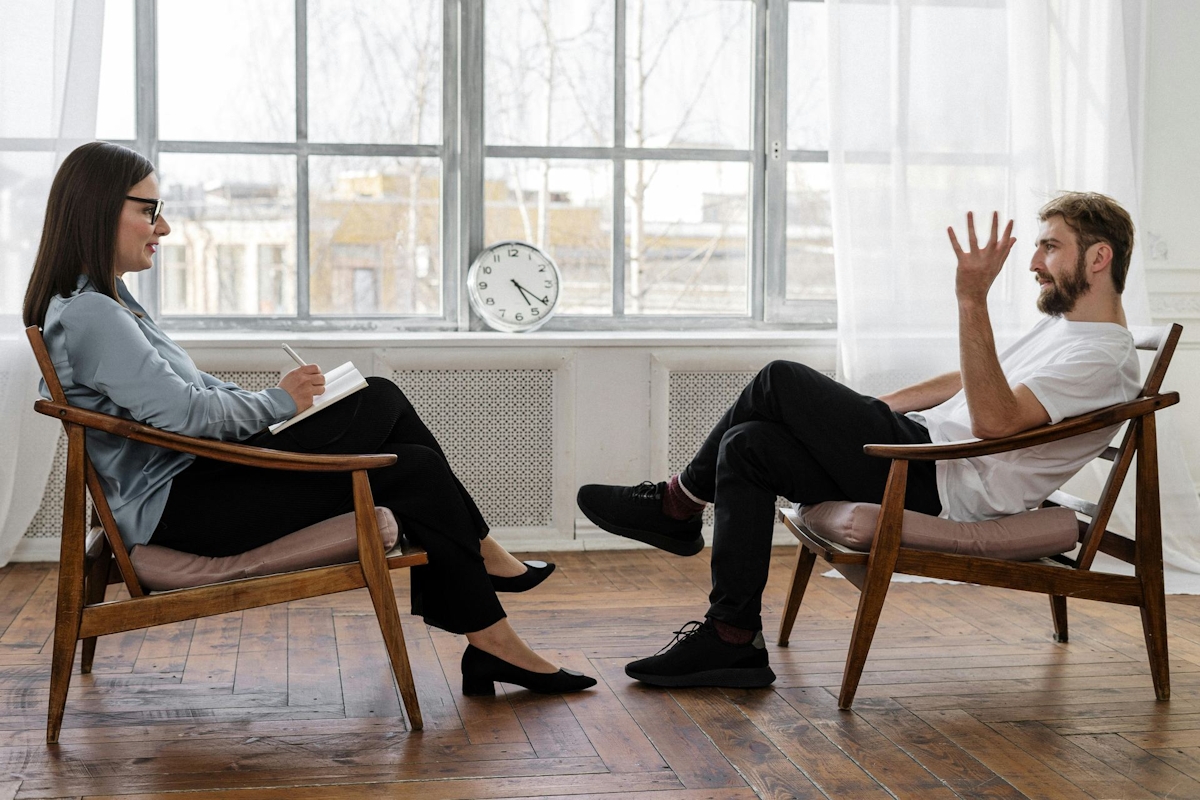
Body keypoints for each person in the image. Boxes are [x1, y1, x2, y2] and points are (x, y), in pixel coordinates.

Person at [24, 141, 595, 697]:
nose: (163, 229)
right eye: (150, 212)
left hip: (195, 486)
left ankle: (493, 637)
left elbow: (190, 392)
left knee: (405, 448)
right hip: (184, 508)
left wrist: (283, 403)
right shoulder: (94, 314)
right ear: (100, 209)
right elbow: (185, 415)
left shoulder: (109, 303)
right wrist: (279, 403)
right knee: (381, 403)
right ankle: (486, 574)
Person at [578, 193, 1140, 689]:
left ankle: (677, 505)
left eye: (1050, 247)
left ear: (1098, 257)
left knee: (780, 378)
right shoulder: (1067, 330)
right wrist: (871, 411)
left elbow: (994, 422)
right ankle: (732, 637)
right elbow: (969, 380)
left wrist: (971, 300)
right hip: (921, 451)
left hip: (938, 481)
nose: (1035, 263)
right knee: (748, 443)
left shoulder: (1101, 358)